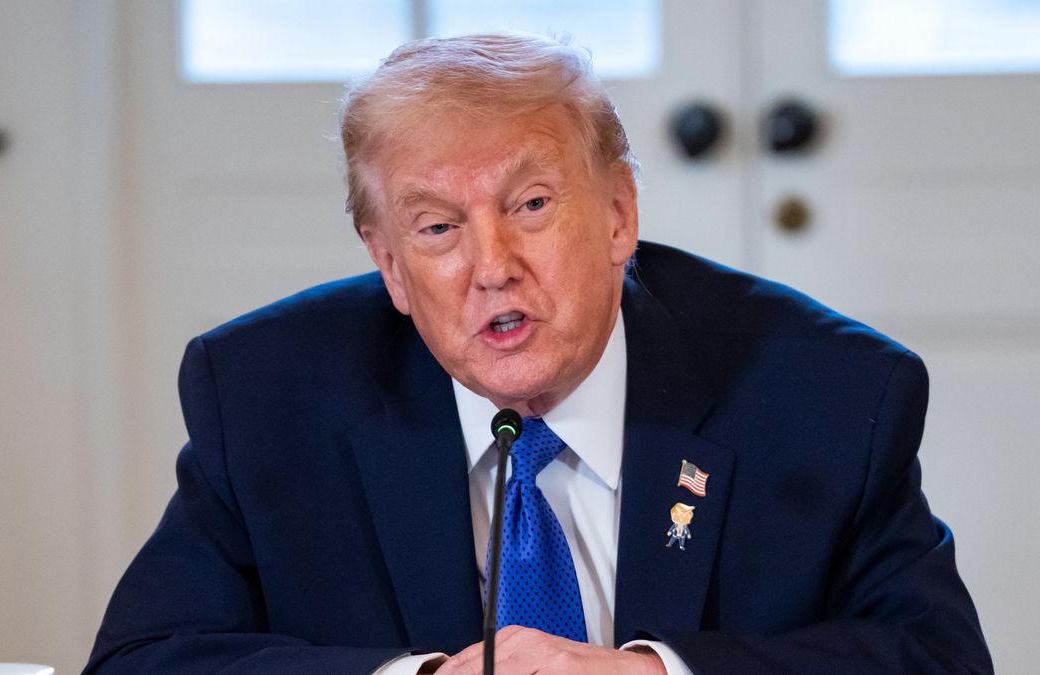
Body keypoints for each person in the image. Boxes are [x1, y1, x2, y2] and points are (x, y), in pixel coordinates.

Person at [84, 33, 992, 674]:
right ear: (390, 267)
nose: (493, 268)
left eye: (530, 206)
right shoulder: (266, 396)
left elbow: (938, 658)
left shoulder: (826, 395)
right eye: (438, 227)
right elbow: (143, 660)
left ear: (618, 216)